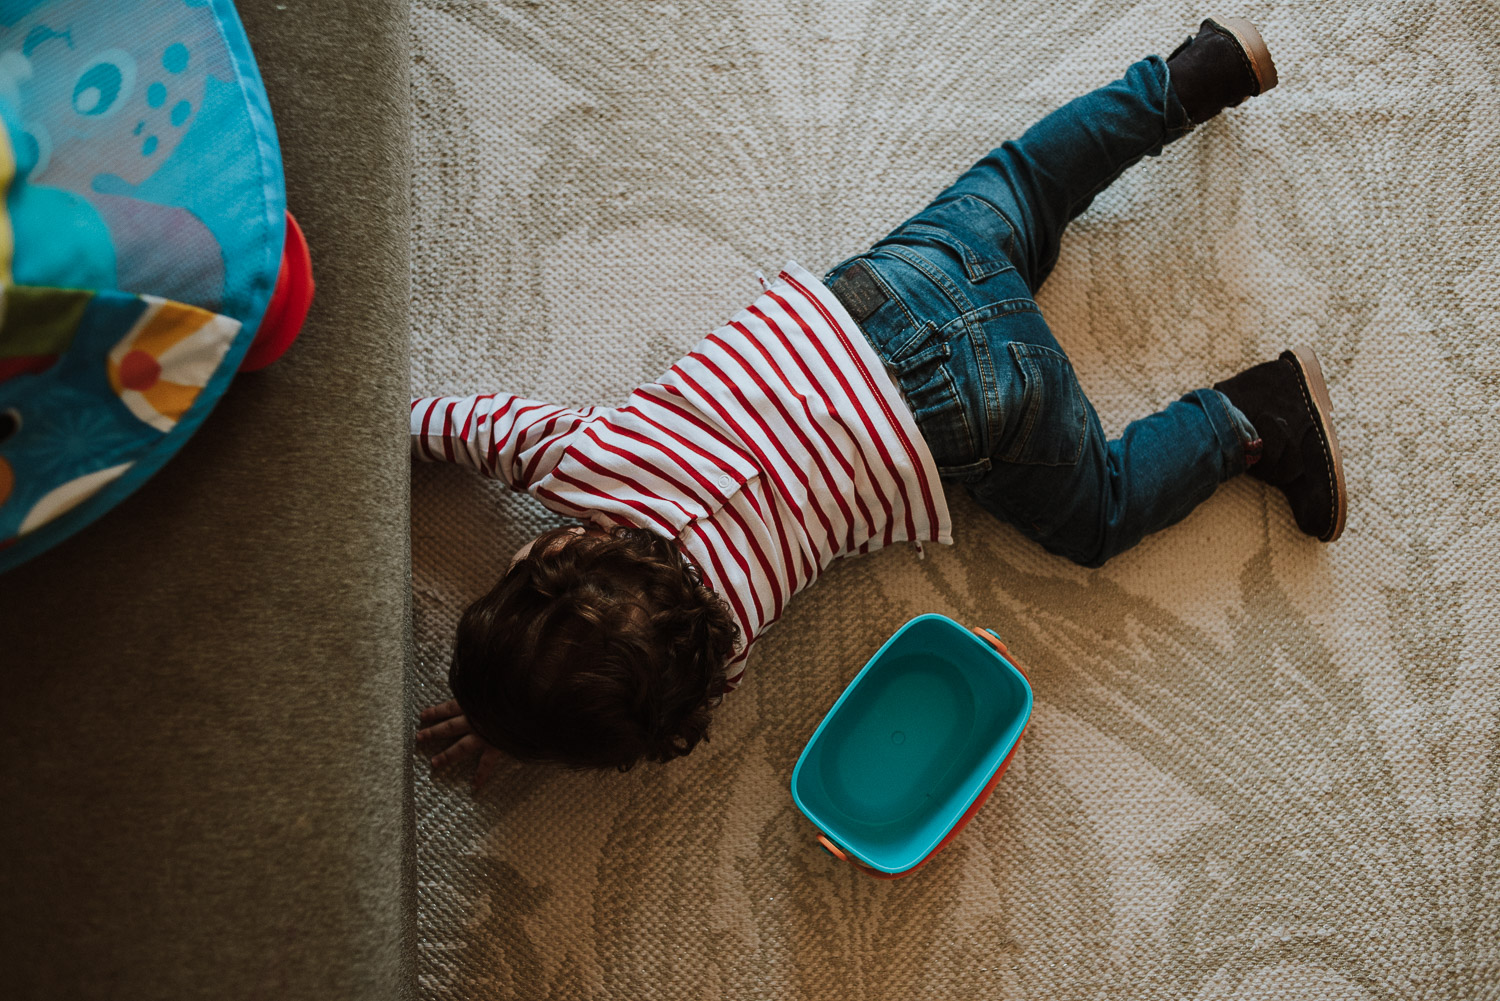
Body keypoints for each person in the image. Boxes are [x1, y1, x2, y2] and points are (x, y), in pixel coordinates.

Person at [413, 17, 1346, 787]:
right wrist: (406, 446)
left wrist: (520, 729)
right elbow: (449, 423)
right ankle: (1187, 83)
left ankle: (1252, 418)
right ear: (552, 548)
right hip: (889, 289)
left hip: (980, 410)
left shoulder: (725, 638)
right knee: (1029, 183)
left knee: (1096, 511)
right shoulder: (581, 459)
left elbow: (641, 685)